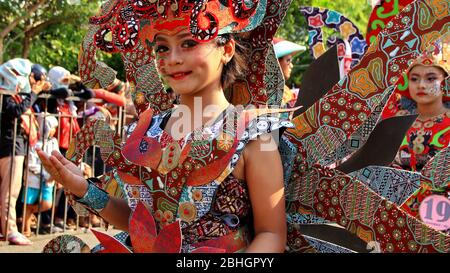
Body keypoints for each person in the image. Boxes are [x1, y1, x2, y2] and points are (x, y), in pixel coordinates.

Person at [38, 0, 288, 253]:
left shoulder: (254, 132)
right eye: (162, 48)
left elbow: (271, 234)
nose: (173, 59)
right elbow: (140, 222)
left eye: (189, 43)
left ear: (227, 49)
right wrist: (83, 188)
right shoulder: (146, 130)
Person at [0, 59, 50, 245]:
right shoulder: (6, 96)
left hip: (14, 146)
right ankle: (10, 230)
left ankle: (7, 228)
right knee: (10, 192)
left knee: (9, 192)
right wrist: (34, 93)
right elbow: (16, 111)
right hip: (10, 146)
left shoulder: (12, 94)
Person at [393, 41, 449, 172]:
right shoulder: (395, 122)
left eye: (430, 78)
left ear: (446, 81)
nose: (421, 85)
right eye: (414, 79)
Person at [22, 115, 59, 237]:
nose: (54, 130)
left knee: (47, 204)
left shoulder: (54, 141)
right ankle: (25, 228)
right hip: (34, 177)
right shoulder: (34, 143)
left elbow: (57, 158)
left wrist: (55, 174)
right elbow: (31, 164)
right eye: (52, 127)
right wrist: (45, 173)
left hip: (49, 179)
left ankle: (31, 212)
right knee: (28, 203)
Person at [273, 38, 306, 108]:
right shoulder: (271, 93)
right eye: (288, 60)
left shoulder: (285, 90)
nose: (291, 65)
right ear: (275, 63)